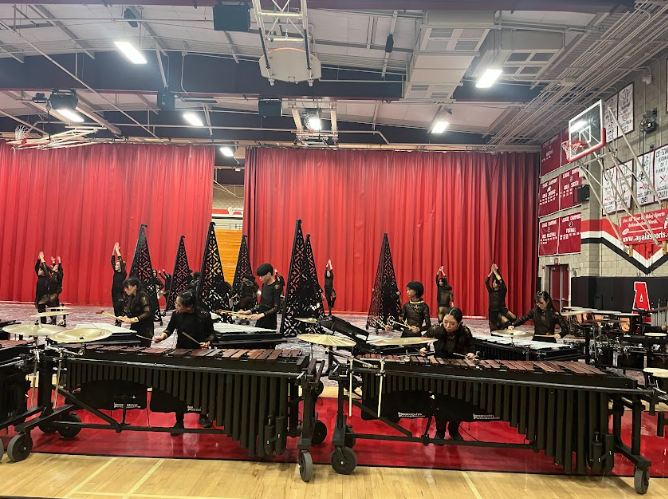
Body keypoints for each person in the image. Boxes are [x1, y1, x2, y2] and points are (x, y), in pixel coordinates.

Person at [155, 290, 215, 433]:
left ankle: (203, 415)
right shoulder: (177, 315)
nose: (176, 306)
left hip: (200, 355)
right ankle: (179, 421)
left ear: (189, 307)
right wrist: (162, 337)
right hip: (181, 353)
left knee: (201, 387)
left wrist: (207, 342)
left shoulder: (204, 315)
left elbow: (212, 333)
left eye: (178, 305)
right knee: (179, 389)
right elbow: (169, 330)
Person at [421, 307, 475, 442]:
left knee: (458, 402)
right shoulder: (436, 329)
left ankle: (454, 430)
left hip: (459, 370)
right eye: (445, 322)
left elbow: (472, 345)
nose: (447, 326)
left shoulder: (465, 331)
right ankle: (440, 431)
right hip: (440, 369)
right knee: (441, 402)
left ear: (459, 323)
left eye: (452, 324)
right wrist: (423, 348)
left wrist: (471, 353)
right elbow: (424, 340)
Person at [238, 263, 282, 330]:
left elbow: (276, 307)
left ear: (269, 274)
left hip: (270, 321)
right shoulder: (264, 285)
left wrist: (261, 315)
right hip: (261, 318)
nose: (260, 278)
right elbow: (261, 304)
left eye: (261, 276)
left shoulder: (276, 287)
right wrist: (248, 312)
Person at [119, 277, 154, 347]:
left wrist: (134, 319)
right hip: (136, 327)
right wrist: (125, 317)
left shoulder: (143, 296)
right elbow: (133, 313)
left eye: (127, 287)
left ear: (134, 287)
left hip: (145, 328)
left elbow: (147, 312)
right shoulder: (132, 297)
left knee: (143, 350)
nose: (125, 290)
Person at [485, 264, 516, 331]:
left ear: (498, 284)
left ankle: (504, 328)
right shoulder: (491, 291)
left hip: (499, 311)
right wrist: (491, 272)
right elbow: (486, 282)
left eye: (495, 283)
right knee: (493, 330)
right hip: (492, 313)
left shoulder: (502, 291)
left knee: (510, 320)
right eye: (493, 283)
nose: (493, 284)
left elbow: (502, 282)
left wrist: (496, 272)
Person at [111, 243, 127, 326]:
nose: (115, 266)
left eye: (117, 265)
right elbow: (112, 260)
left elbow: (120, 260)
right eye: (116, 265)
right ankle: (117, 320)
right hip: (114, 292)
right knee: (115, 307)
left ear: (121, 266)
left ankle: (119, 320)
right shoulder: (116, 272)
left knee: (119, 306)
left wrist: (117, 251)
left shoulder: (123, 273)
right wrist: (114, 249)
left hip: (120, 293)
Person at [46, 256, 64, 325]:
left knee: (53, 305)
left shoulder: (59, 275)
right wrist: (53, 262)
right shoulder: (53, 273)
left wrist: (59, 262)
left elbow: (60, 270)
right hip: (51, 292)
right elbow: (54, 269)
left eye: (56, 267)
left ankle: (53, 320)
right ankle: (53, 319)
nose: (54, 267)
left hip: (55, 291)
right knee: (52, 306)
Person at [34, 252, 50, 325]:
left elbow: (46, 269)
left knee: (49, 311)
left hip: (45, 297)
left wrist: (43, 259)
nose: (39, 271)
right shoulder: (39, 277)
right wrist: (38, 259)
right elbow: (36, 267)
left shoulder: (47, 278)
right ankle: (44, 324)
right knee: (41, 312)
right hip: (39, 296)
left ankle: (53, 321)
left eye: (40, 270)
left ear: (43, 272)